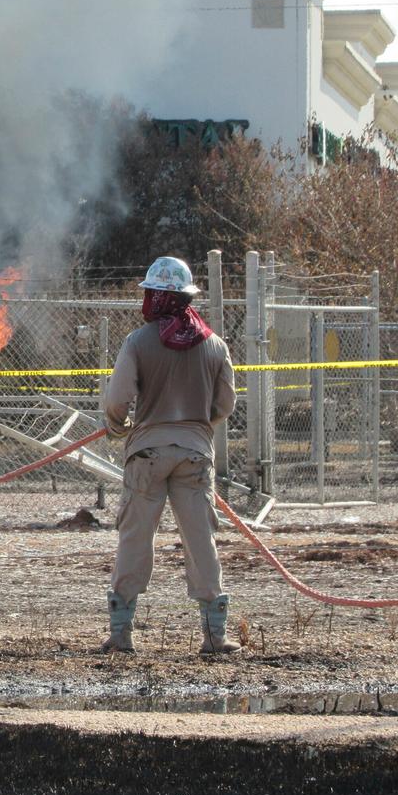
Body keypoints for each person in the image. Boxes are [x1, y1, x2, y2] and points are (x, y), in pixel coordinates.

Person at [100, 256, 238, 655]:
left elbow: (118, 398)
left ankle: (121, 634)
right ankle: (215, 636)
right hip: (195, 455)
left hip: (146, 454)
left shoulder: (139, 342)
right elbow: (226, 403)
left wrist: (118, 424)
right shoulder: (214, 345)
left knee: (135, 537)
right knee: (200, 540)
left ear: (155, 297)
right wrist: (197, 428)